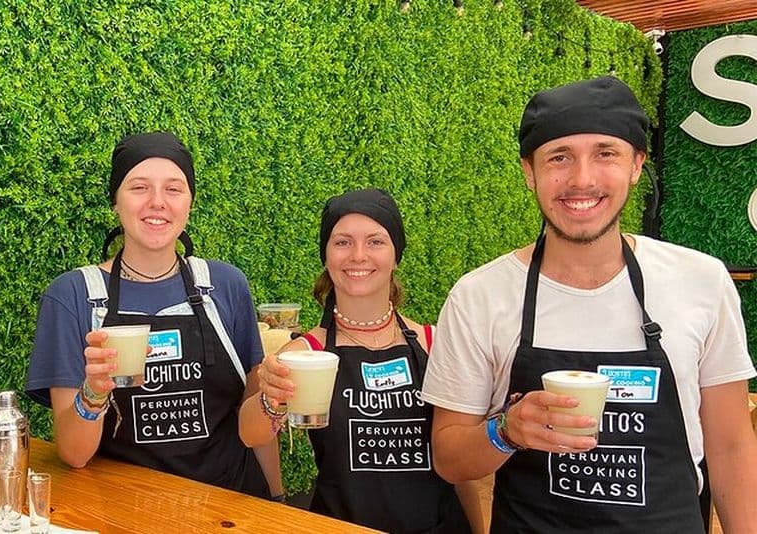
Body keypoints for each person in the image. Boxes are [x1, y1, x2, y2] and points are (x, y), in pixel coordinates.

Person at [420, 75, 757, 533]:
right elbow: (449, 458)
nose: (581, 179)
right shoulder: (481, 296)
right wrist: (507, 430)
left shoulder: (700, 281)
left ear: (637, 164)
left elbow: (732, 447)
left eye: (606, 153)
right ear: (529, 171)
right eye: (559, 157)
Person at [26, 132, 282, 500]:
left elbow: (254, 425)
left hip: (233, 506)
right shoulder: (74, 296)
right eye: (139, 187)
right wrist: (93, 393)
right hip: (129, 512)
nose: (157, 202)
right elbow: (74, 454)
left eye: (174, 189)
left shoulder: (226, 285)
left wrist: (278, 501)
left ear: (190, 202)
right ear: (115, 200)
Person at [239, 188, 484, 533]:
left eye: (375, 242)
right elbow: (250, 434)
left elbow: (459, 470)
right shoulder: (304, 353)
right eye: (342, 242)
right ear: (325, 255)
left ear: (396, 254)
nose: (358, 256)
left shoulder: (435, 343)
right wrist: (270, 396)